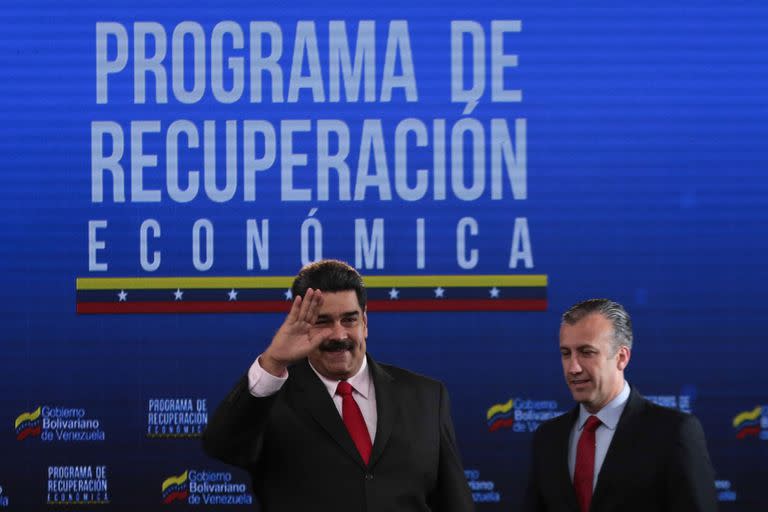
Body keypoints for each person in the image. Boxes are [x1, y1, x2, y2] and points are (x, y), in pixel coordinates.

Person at [203, 259, 474, 512]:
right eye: (323, 322)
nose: (339, 334)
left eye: (349, 319)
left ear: (365, 322)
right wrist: (273, 361)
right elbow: (223, 447)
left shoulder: (426, 396)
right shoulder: (271, 399)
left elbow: (454, 502)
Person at [523, 299, 717, 512]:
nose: (573, 368)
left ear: (621, 357)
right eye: (566, 353)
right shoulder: (548, 437)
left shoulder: (674, 432)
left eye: (587, 352)